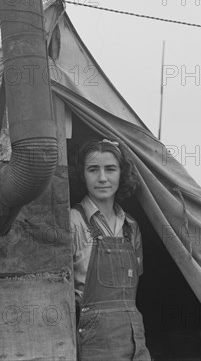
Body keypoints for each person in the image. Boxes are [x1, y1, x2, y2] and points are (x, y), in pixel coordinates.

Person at [71, 138, 151, 360]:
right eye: (93, 170)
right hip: (94, 342)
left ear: (121, 174)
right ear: (82, 175)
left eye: (110, 169)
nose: (103, 178)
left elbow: (134, 285)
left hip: (133, 338)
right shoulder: (73, 221)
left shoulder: (131, 226)